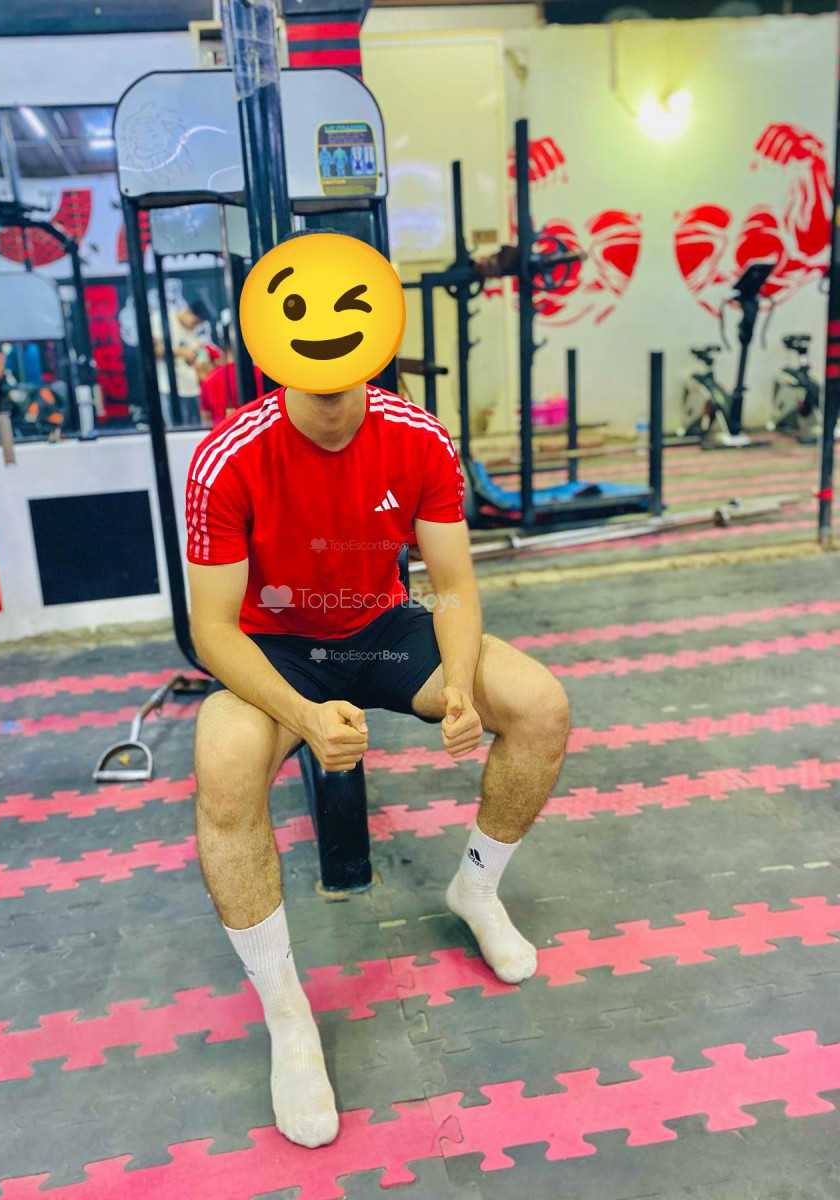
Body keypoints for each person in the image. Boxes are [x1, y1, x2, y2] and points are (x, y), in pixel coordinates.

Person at [185, 229, 570, 1150]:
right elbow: (212, 630)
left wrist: (463, 687)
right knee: (224, 761)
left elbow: (454, 585)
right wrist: (303, 715)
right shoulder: (226, 458)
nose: (329, 392)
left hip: (380, 627)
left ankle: (477, 889)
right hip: (277, 645)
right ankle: (287, 1013)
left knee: (539, 706)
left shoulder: (418, 437)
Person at [150, 298, 211, 426]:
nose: (195, 326)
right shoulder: (162, 320)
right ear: (187, 311)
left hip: (192, 389)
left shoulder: (192, 331)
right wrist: (181, 352)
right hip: (170, 389)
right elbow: (152, 350)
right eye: (195, 322)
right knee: (176, 430)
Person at [199, 343, 264, 429]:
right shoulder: (260, 373)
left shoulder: (208, 380)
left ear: (224, 354)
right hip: (256, 430)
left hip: (223, 433)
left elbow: (205, 419)